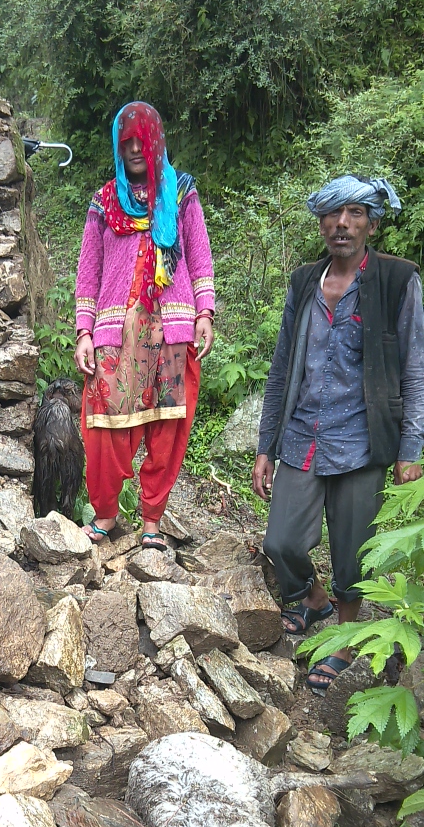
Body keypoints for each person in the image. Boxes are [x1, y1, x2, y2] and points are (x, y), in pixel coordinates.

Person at [253, 175, 424, 692]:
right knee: (281, 541)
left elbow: (416, 366)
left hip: (364, 440)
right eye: (333, 214)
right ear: (321, 222)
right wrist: (266, 444)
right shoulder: (306, 281)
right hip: (303, 434)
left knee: (355, 552)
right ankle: (313, 599)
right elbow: (283, 367)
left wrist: (411, 446)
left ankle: (345, 640)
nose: (342, 224)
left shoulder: (397, 280)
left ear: (371, 222)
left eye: (354, 214)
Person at [73, 101, 215, 550]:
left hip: (171, 328)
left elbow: (198, 252)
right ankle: (106, 516)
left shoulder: (181, 193)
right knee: (103, 428)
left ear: (156, 142)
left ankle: (152, 520)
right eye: (126, 141)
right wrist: (84, 330)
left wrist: (204, 312)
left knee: (168, 427)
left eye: (142, 139)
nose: (135, 148)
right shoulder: (104, 201)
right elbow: (88, 270)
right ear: (118, 145)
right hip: (117, 334)